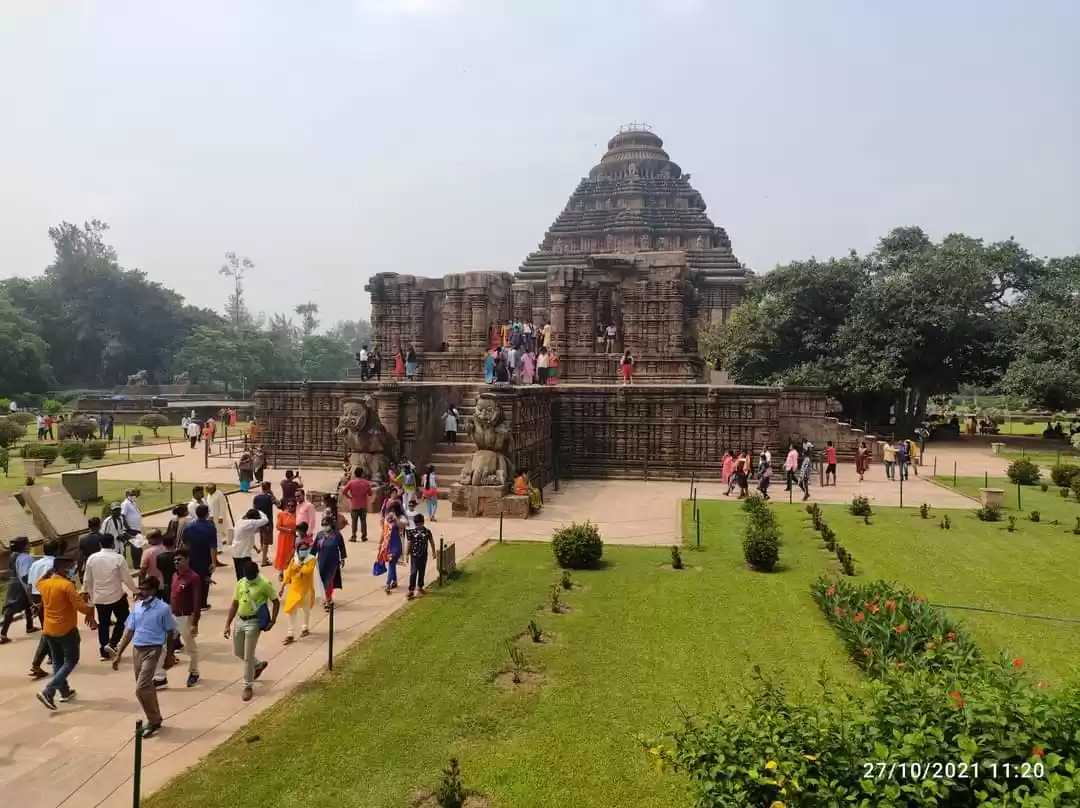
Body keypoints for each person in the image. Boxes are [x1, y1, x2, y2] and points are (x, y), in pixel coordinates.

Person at [111, 575, 177, 735]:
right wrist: (119, 653)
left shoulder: (163, 608)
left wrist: (169, 655)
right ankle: (156, 718)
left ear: (153, 591)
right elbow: (129, 631)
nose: (141, 592)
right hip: (137, 649)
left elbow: (170, 632)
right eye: (140, 589)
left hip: (153, 649)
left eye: (145, 589)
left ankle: (153, 721)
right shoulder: (137, 607)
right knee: (147, 688)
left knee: (141, 688)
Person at [36, 556, 97, 710]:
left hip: (49, 629)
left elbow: (39, 580)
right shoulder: (66, 585)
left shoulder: (43, 584)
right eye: (70, 567)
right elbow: (81, 607)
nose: (72, 570)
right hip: (66, 629)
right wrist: (91, 610)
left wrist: (51, 572)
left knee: (58, 661)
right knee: (71, 660)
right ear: (63, 569)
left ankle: (64, 692)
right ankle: (49, 690)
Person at [224, 559, 280, 701]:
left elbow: (276, 601)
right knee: (238, 652)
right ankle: (258, 664)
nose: (248, 578)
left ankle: (247, 685)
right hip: (240, 620)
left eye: (251, 576)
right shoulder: (241, 583)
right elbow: (234, 604)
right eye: (247, 576)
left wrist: (273, 620)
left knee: (248, 656)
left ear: (257, 573)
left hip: (254, 622)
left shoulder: (264, 584)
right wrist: (227, 624)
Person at [83, 534, 138, 661]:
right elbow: (126, 578)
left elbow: (87, 580)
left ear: (100, 545)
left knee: (103, 623)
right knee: (124, 619)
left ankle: (104, 651)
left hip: (99, 598)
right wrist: (135, 590)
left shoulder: (92, 558)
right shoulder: (118, 558)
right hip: (116, 596)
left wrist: (87, 595)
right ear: (113, 544)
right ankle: (113, 643)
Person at [167, 547, 201, 687]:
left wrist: (195, 622)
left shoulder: (193, 578)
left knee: (190, 647)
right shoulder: (175, 576)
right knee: (164, 644)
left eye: (179, 559)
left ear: (187, 560)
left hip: (186, 617)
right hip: (173, 616)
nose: (176, 562)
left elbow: (197, 601)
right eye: (175, 560)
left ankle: (194, 672)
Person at [26, 540, 60, 678]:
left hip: (35, 596)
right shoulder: (55, 564)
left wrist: (32, 603)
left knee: (47, 627)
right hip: (49, 596)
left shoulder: (35, 564)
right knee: (50, 630)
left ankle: (52, 656)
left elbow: (29, 585)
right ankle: (37, 662)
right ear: (57, 550)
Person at [279, 534, 317, 645]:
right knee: (291, 611)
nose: (304, 552)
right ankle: (290, 634)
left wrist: (299, 567)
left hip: (306, 590)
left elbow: (307, 571)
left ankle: (305, 627)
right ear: (298, 550)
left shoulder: (311, 559)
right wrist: (283, 587)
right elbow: (288, 573)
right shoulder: (294, 560)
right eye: (302, 550)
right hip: (294, 590)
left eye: (306, 550)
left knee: (306, 610)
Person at [180, 505, 218, 610]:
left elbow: (185, 544)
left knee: (192, 579)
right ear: (207, 514)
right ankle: (202, 604)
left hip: (192, 557)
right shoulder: (210, 528)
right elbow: (213, 547)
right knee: (204, 581)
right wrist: (214, 562)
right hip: (205, 558)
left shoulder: (189, 527)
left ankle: (192, 602)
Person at [1, 537, 36, 644]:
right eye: (28, 544)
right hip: (19, 584)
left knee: (27, 605)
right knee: (11, 607)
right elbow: (23, 574)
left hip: (16, 582)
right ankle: (2, 634)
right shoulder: (19, 556)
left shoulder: (13, 555)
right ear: (24, 546)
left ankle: (29, 626)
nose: (29, 546)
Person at [314, 515, 347, 609]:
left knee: (329, 582)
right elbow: (314, 549)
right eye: (323, 524)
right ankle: (327, 598)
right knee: (323, 582)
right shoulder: (320, 535)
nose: (324, 526)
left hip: (333, 563)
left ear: (331, 524)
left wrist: (343, 559)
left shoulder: (337, 535)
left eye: (326, 524)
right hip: (322, 562)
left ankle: (328, 601)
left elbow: (342, 547)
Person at [231, 507, 270, 580]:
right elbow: (265, 520)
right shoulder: (248, 523)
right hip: (243, 555)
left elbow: (252, 532)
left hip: (238, 553)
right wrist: (259, 510)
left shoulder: (241, 521)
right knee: (247, 577)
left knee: (241, 576)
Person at [406, 513, 437, 600]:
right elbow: (409, 543)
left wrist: (434, 552)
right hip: (414, 556)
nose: (419, 525)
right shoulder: (412, 532)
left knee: (422, 571)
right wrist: (407, 555)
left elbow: (431, 542)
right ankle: (411, 590)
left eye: (420, 523)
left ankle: (420, 587)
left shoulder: (427, 532)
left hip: (423, 555)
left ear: (423, 523)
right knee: (413, 572)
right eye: (417, 524)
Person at [378, 503, 405, 595]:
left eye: (394, 511)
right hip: (388, 546)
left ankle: (388, 584)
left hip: (396, 546)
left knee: (391, 563)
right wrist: (380, 543)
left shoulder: (400, 519)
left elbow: (402, 526)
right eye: (391, 510)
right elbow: (383, 532)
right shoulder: (386, 520)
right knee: (392, 564)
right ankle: (395, 581)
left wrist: (396, 519)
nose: (391, 513)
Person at [102, 501, 137, 568]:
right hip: (111, 548)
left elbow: (122, 531)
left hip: (120, 547)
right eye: (115, 510)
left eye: (118, 510)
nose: (117, 511)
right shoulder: (107, 521)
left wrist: (130, 537)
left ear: (121, 510)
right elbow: (104, 535)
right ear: (111, 511)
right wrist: (116, 537)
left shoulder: (120, 519)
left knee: (121, 564)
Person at [343, 468, 373, 542]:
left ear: (355, 474)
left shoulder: (351, 483)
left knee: (354, 521)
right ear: (362, 474)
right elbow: (370, 493)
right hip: (363, 505)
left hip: (354, 505)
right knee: (363, 521)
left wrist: (349, 497)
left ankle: (353, 535)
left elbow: (344, 491)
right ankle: (364, 536)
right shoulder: (366, 483)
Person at [253, 482, 277, 567]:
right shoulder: (270, 497)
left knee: (262, 539)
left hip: (259, 521)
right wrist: (273, 494)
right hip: (268, 522)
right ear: (269, 488)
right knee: (266, 541)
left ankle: (264, 556)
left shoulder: (256, 498)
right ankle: (264, 561)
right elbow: (278, 504)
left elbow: (254, 509)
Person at [273, 499, 298, 573]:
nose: (290, 507)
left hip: (293, 537)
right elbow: (278, 527)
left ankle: (291, 570)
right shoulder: (282, 514)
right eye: (289, 505)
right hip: (283, 537)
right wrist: (288, 530)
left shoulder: (297, 515)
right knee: (282, 553)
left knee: (292, 553)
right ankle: (281, 571)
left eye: (292, 506)